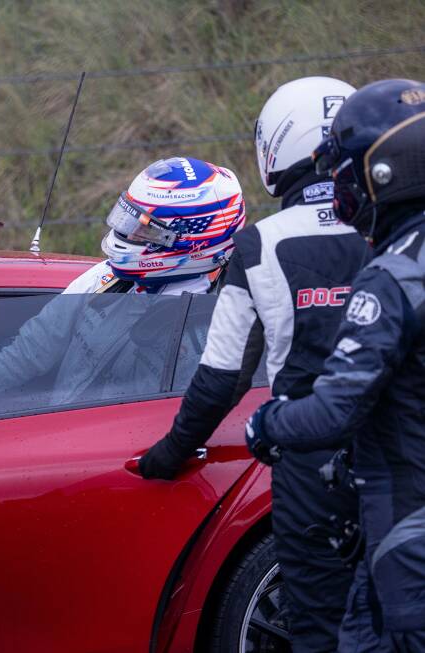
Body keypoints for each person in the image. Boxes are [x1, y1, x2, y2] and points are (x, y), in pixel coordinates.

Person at [137, 77, 365, 651]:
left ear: (278, 147)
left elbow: (222, 375)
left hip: (308, 465)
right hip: (396, 454)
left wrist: (167, 454)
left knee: (317, 625)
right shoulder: (395, 231)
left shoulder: (260, 243)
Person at [245, 78, 425, 652]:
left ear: (383, 174)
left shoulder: (396, 274)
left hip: (408, 525)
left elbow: (333, 411)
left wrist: (268, 424)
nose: (339, 193)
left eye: (345, 176)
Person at [0, 156, 245, 421]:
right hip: (66, 443)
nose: (127, 233)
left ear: (192, 242)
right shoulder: (105, 279)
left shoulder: (219, 327)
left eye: (143, 230)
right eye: (129, 220)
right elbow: (33, 346)